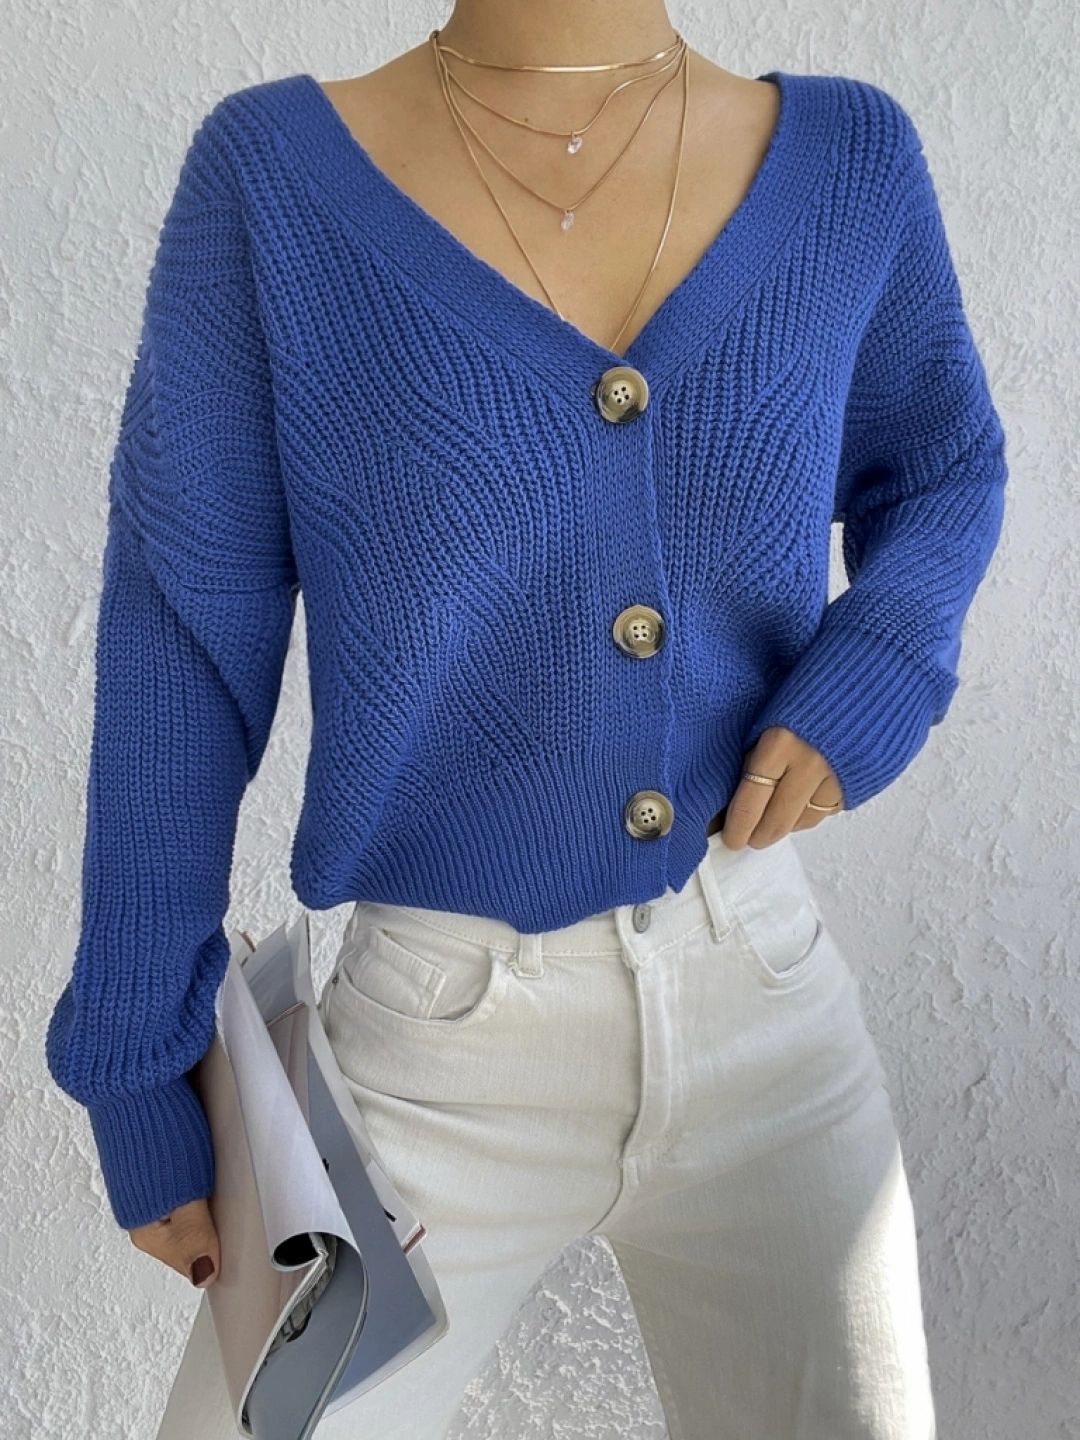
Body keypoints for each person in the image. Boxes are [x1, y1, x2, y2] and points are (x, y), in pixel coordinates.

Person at [46, 1, 1009, 1435]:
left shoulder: (850, 162)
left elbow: (941, 468)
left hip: (764, 1004)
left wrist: (881, 658)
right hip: (433, 1050)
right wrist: (136, 1045)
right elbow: (184, 631)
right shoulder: (272, 182)